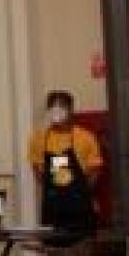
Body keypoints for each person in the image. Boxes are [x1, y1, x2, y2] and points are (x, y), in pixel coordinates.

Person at [28, 90, 102, 239]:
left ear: (71, 109)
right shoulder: (39, 139)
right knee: (53, 254)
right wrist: (56, 192)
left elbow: (95, 170)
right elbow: (38, 172)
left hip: (80, 206)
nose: (56, 110)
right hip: (53, 207)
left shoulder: (86, 137)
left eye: (61, 106)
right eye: (52, 106)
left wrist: (78, 193)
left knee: (83, 250)